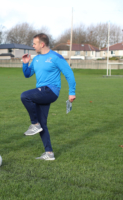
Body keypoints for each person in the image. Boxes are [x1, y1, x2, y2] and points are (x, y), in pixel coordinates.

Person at [21, 33, 76, 161]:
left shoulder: (56, 57)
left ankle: (34, 123)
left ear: (42, 44)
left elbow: (69, 74)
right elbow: (28, 74)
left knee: (25, 96)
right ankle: (49, 153)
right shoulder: (36, 59)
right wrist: (25, 63)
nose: (33, 46)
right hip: (42, 93)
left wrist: (71, 92)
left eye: (34, 43)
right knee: (42, 124)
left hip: (50, 91)